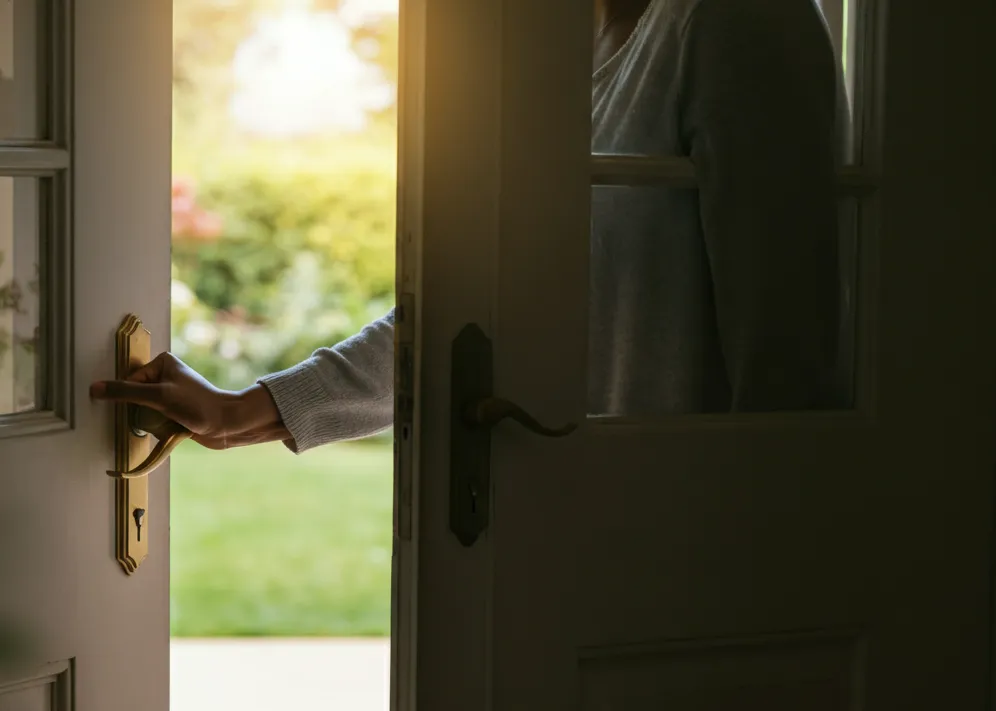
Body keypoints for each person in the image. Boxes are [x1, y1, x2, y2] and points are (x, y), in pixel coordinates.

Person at [92, 0, 849, 449]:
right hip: (575, 534)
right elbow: (480, 308)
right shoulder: (556, 55)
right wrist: (241, 412)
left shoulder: (740, 20)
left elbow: (787, 355)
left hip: (682, 548)